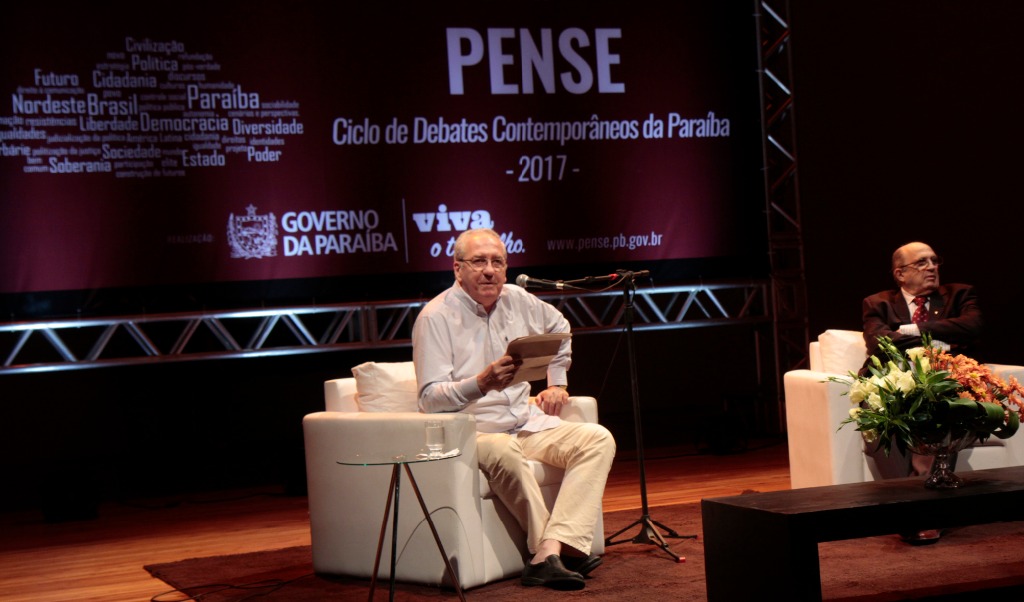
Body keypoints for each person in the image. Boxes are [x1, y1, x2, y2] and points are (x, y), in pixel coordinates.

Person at [412, 228, 616, 591]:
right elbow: (429, 398)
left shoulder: (519, 299)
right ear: (458, 268)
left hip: (524, 422)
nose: (489, 271)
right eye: (479, 262)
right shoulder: (436, 317)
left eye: (498, 262)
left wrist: (557, 383)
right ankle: (553, 553)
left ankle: (552, 549)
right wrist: (481, 383)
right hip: (474, 430)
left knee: (597, 439)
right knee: (505, 449)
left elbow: (560, 328)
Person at [860, 241, 983, 544]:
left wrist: (911, 331)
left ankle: (925, 513)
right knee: (881, 414)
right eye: (922, 262)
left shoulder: (959, 294)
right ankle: (909, 506)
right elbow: (879, 343)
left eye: (934, 260)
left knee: (942, 405)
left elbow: (971, 326)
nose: (932, 267)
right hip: (892, 380)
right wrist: (942, 336)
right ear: (900, 273)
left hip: (944, 379)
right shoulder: (877, 303)